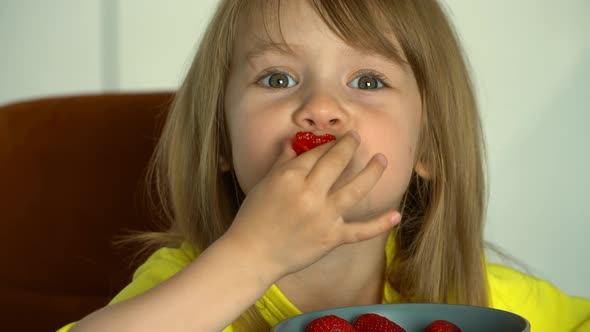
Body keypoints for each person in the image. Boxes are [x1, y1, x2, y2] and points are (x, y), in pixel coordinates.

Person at [60, 0, 590, 331]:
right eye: (277, 79)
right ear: (221, 138)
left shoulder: (471, 295)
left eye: (367, 81)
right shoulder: (187, 286)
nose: (319, 107)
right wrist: (252, 256)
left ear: (428, 149)